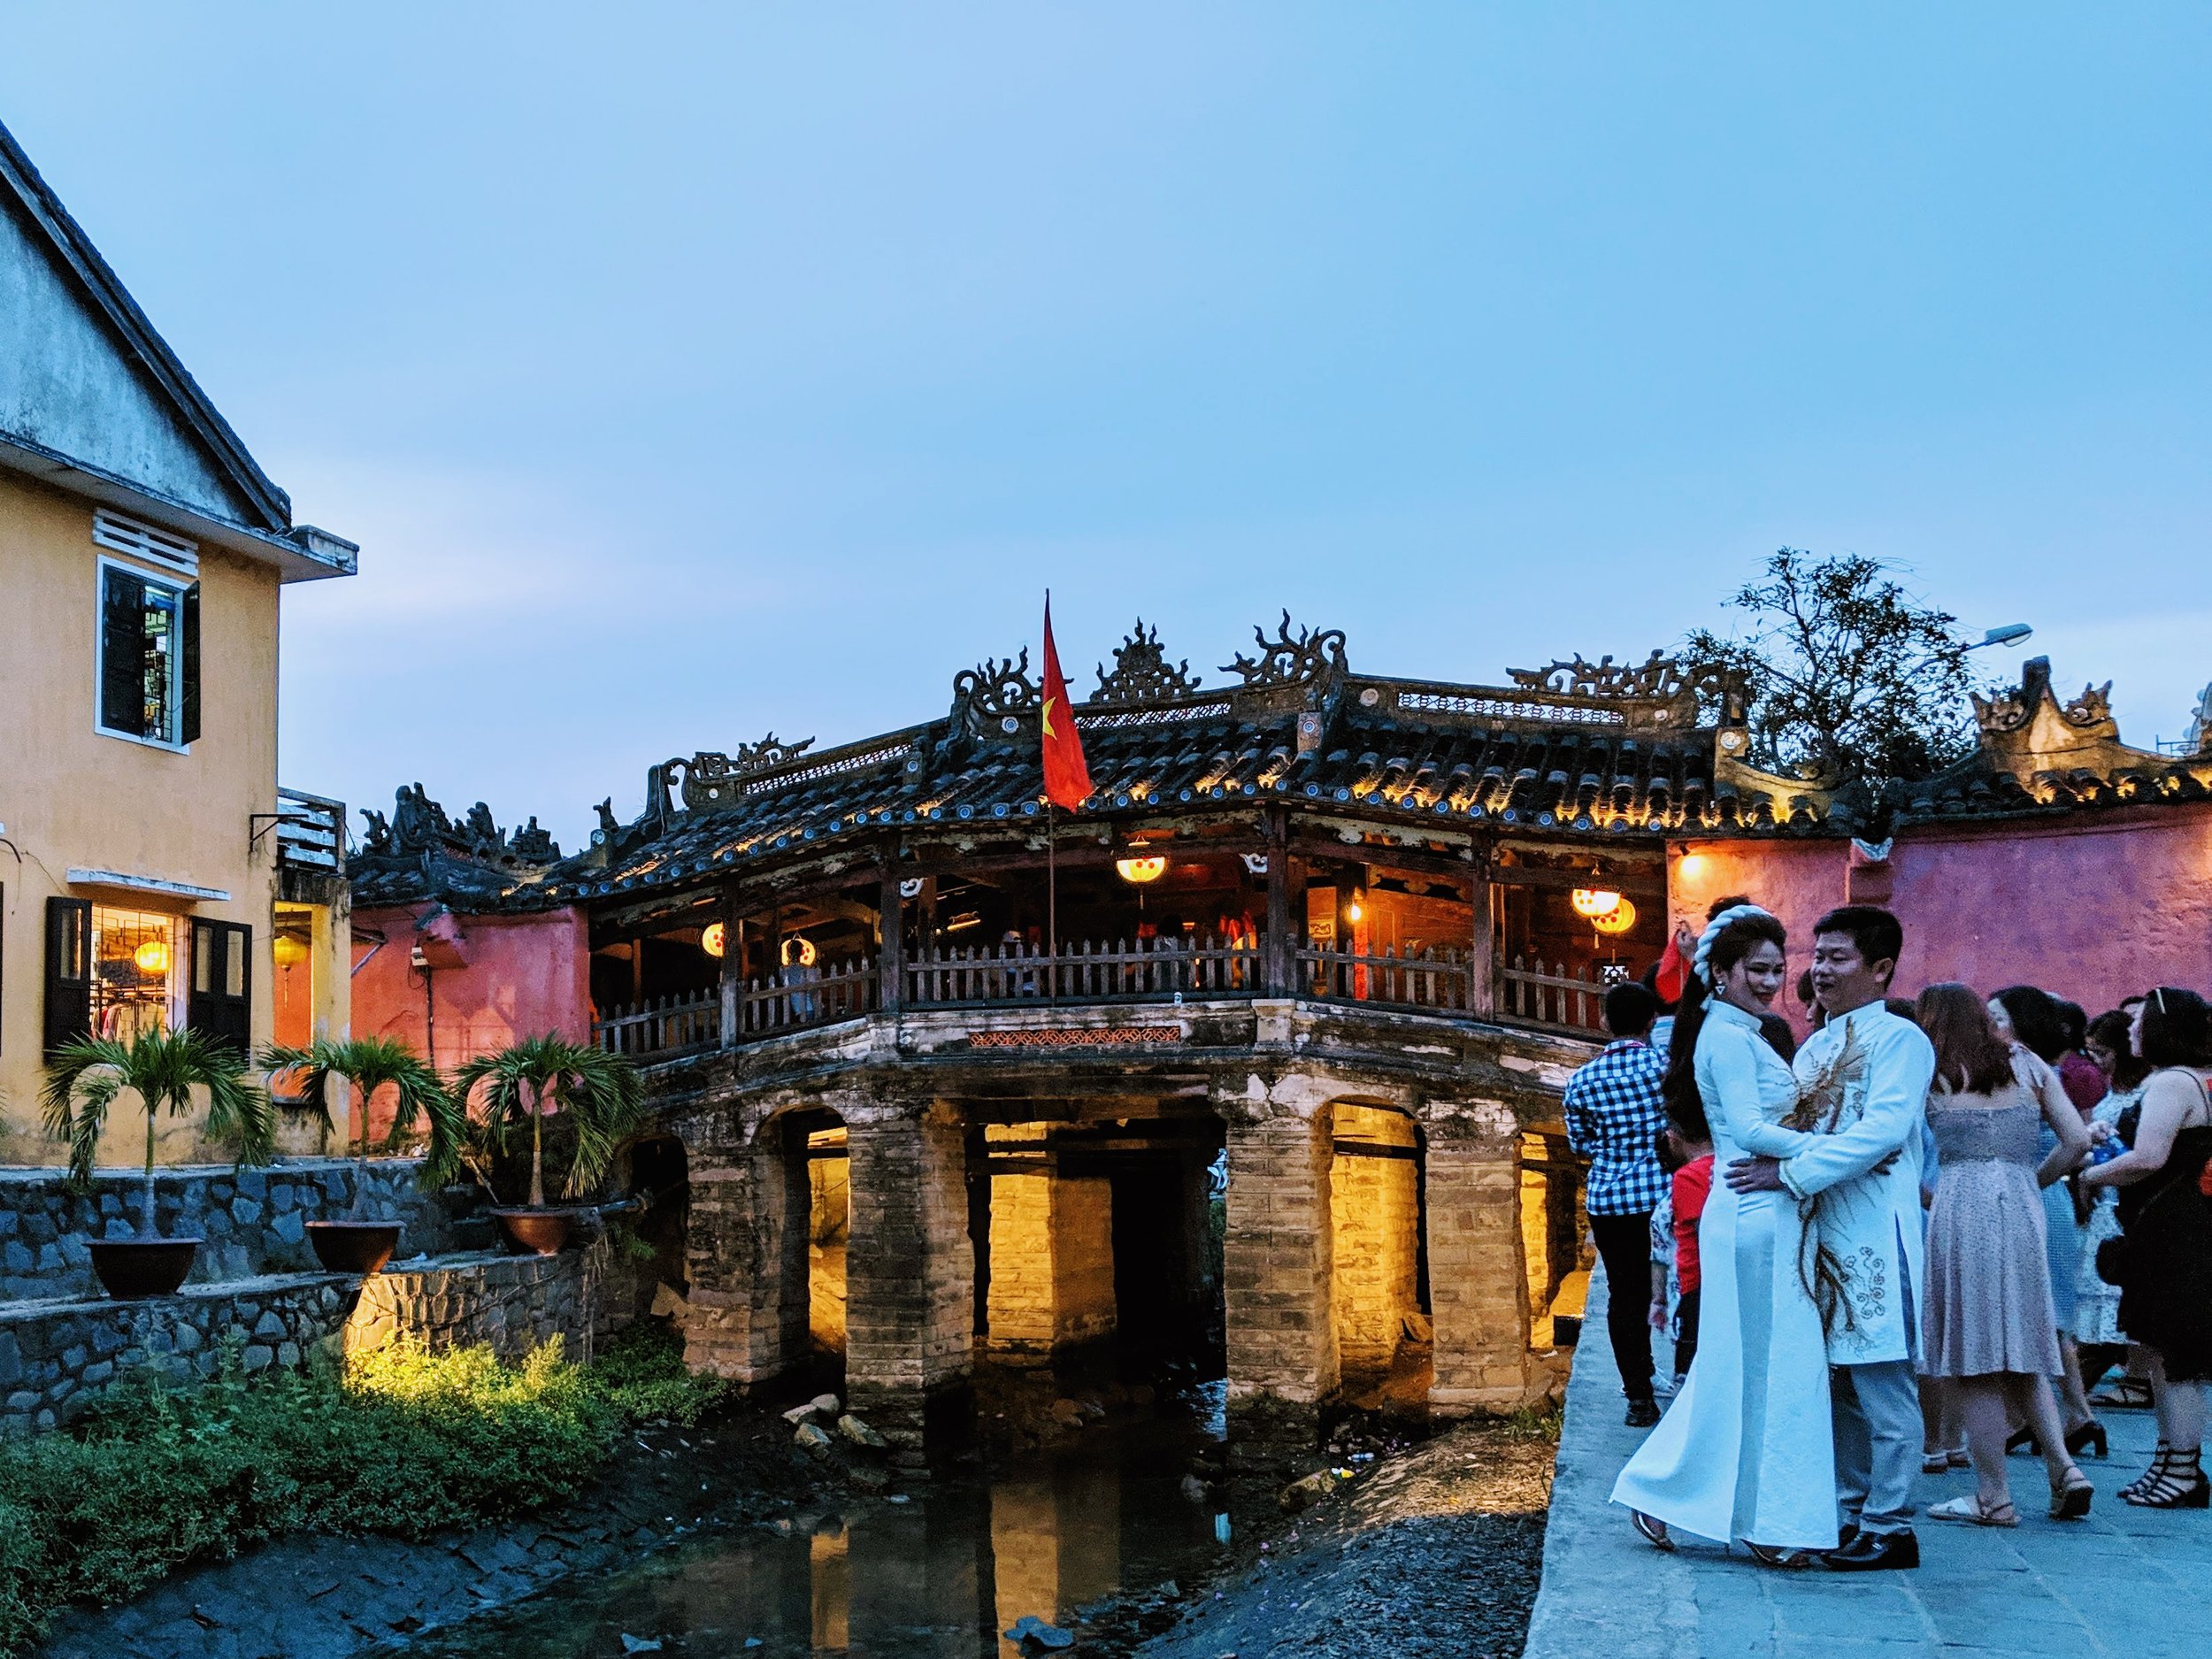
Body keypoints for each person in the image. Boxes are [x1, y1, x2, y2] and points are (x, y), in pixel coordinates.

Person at [1613, 906, 1839, 1561]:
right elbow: (1750, 1128)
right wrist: (1838, 1144)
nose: (1771, 981)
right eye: (1758, 969)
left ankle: (1694, 1499)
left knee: (1757, 1367)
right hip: (1752, 1212)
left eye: (1778, 969)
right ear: (1720, 971)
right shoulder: (1730, 1037)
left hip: (1761, 1209)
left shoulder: (1734, 1031)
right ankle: (1734, 1510)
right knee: (1762, 1367)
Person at [1725, 905, 1936, 1571]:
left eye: (1836, 956)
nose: (1818, 968)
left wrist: (1791, 1170)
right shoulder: (1813, 1045)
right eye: (1815, 954)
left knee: (1882, 1381)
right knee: (1836, 1382)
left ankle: (1893, 1522)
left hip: (1876, 1232)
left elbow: (1883, 1131)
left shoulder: (1901, 1040)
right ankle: (1846, 1509)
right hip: (1821, 1234)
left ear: (1880, 968)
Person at [1913, 984, 2093, 1525]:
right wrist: (2032, 1180)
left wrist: (1936, 1195)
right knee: (2024, 1343)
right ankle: (2065, 1467)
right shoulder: (2027, 1063)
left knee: (1972, 1359)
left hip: (1960, 1204)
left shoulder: (1931, 1069)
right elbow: (2078, 1141)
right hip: (2020, 1203)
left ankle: (1994, 1495)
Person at [2080, 987, 2212, 1507]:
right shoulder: (2195, 1080)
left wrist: (2089, 1173)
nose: (2129, 1029)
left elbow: (2149, 1157)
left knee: (2173, 1357)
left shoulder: (2170, 1082)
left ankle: (2182, 1471)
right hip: (2181, 1225)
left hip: (2168, 1230)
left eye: (2139, 1023)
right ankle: (2171, 1462)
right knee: (2163, 1354)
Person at [1990, 986, 2098, 1452]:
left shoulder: (2029, 1073)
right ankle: (2071, 1414)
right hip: (2045, 1198)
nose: (1987, 1028)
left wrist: (2033, 1181)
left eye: (1995, 1019)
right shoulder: (2038, 1071)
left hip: (2037, 1197)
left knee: (2041, 1312)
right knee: (2047, 1313)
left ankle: (2069, 1414)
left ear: (2020, 1025)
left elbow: (2075, 1144)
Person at [1564, 980, 1671, 1426]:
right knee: (1677, 1289)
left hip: (1609, 1201)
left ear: (1604, 1022)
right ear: (1651, 1021)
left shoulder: (1581, 1081)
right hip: (1663, 1197)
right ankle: (1687, 1382)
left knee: (1625, 1297)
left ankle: (1639, 1396)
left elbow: (1579, 1143)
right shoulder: (1664, 1069)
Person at [2076, 1009, 2150, 1393]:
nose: (2096, 1061)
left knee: (2121, 1286)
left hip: (2127, 1196)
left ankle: (2137, 1377)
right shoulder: (2112, 1091)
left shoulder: (2146, 1090)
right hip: (2106, 1195)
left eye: (2102, 1052)